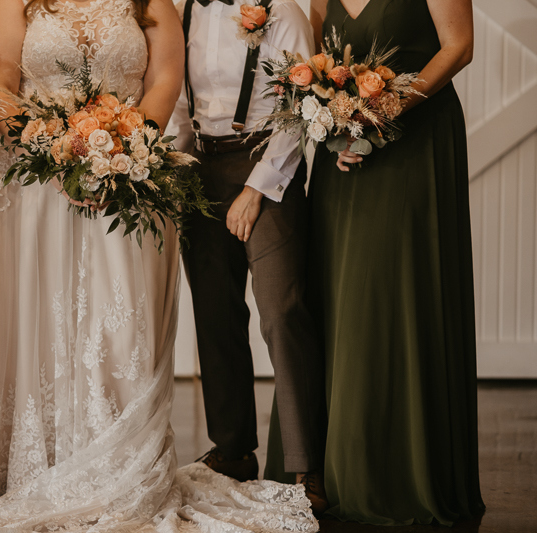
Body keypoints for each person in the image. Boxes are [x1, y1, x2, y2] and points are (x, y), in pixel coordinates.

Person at [0, 0, 319, 531]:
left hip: (125, 175)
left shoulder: (154, 0)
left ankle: (130, 464)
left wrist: (121, 150)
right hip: (35, 185)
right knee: (41, 318)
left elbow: (165, 80)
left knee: (124, 326)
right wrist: (57, 149)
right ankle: (38, 462)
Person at [266, 0, 486, 526]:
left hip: (416, 145)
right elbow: (319, 66)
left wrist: (384, 112)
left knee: (400, 291)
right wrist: (337, 127)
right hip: (344, 159)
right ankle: (325, 470)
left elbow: (459, 47)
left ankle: (397, 473)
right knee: (341, 299)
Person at [165, 0, 328, 512]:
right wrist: (179, 172)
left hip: (267, 164)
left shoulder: (283, 13)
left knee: (282, 313)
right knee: (215, 315)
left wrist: (256, 190)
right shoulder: (181, 12)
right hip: (202, 167)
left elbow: (301, 108)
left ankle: (310, 464)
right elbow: (177, 104)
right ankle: (233, 450)